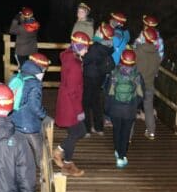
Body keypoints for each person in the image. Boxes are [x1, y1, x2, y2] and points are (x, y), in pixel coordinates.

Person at [51, 31, 90, 177]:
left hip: (66, 101)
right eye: (85, 47)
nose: (87, 50)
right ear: (78, 46)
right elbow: (73, 91)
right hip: (71, 105)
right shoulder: (74, 65)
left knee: (77, 132)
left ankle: (59, 151)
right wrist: (79, 111)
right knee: (77, 132)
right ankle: (67, 164)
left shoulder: (69, 56)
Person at [10, 52, 51, 165]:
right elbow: (34, 105)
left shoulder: (18, 76)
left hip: (14, 120)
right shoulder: (35, 84)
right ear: (40, 68)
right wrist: (44, 116)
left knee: (16, 151)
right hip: (28, 124)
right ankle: (42, 173)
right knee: (40, 150)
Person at [105, 48, 144, 167]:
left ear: (121, 60)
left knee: (116, 130)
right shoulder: (136, 75)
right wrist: (135, 104)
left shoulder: (114, 73)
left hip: (115, 109)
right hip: (129, 110)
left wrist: (109, 108)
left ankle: (117, 151)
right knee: (125, 133)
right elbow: (141, 94)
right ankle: (122, 158)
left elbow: (109, 92)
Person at [82, 22, 116, 135]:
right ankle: (99, 128)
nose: (96, 31)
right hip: (100, 76)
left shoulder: (96, 48)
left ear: (101, 34)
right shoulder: (108, 45)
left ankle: (86, 129)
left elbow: (85, 60)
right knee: (96, 101)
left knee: (86, 102)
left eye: (98, 30)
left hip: (90, 76)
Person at [134, 27, 162, 139]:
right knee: (149, 108)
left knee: (132, 108)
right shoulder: (157, 55)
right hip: (149, 84)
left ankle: (129, 135)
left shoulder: (138, 51)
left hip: (137, 85)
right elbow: (156, 70)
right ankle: (151, 132)